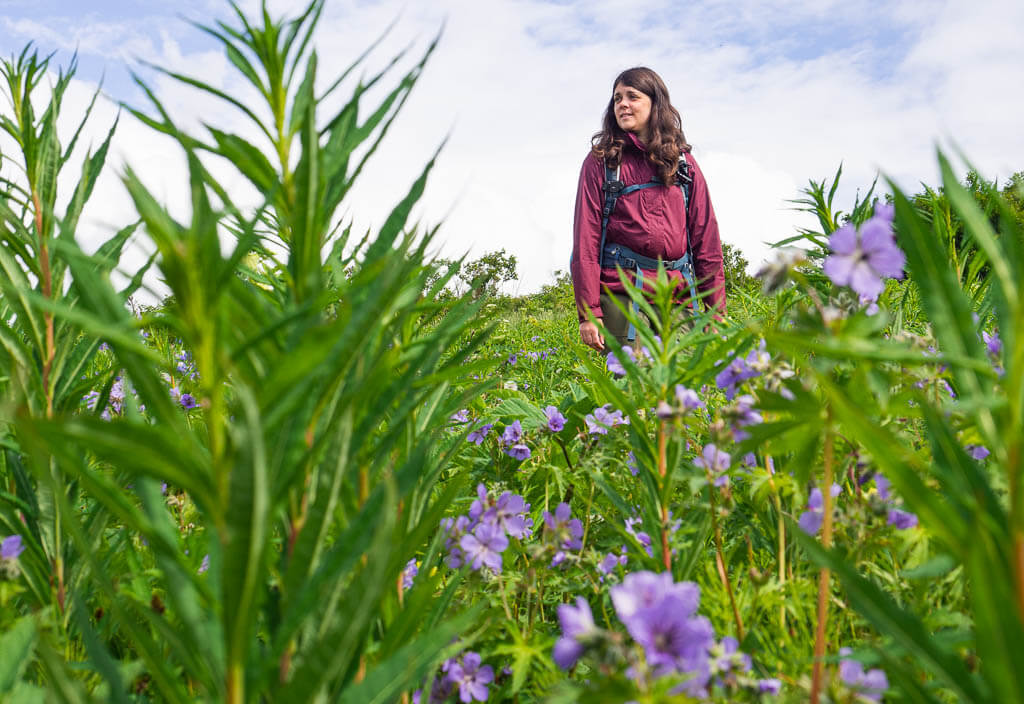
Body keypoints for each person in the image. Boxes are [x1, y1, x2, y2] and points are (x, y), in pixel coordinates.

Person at [570, 67, 725, 352]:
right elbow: (586, 243)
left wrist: (716, 309)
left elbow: (706, 239)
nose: (622, 104)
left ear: (655, 103)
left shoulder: (684, 164)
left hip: (676, 295)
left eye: (632, 96)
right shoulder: (602, 163)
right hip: (623, 293)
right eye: (617, 98)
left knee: (684, 386)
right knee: (635, 386)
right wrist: (589, 313)